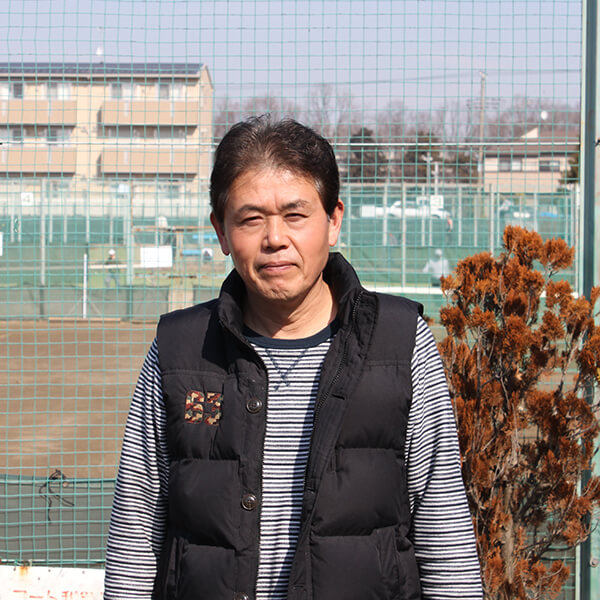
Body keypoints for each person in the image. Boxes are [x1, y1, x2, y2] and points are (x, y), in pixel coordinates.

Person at [104, 116, 483, 600]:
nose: (275, 238)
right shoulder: (180, 350)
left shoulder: (400, 342)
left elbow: (443, 531)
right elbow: (136, 532)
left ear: (333, 220)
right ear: (221, 231)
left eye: (295, 215)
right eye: (251, 219)